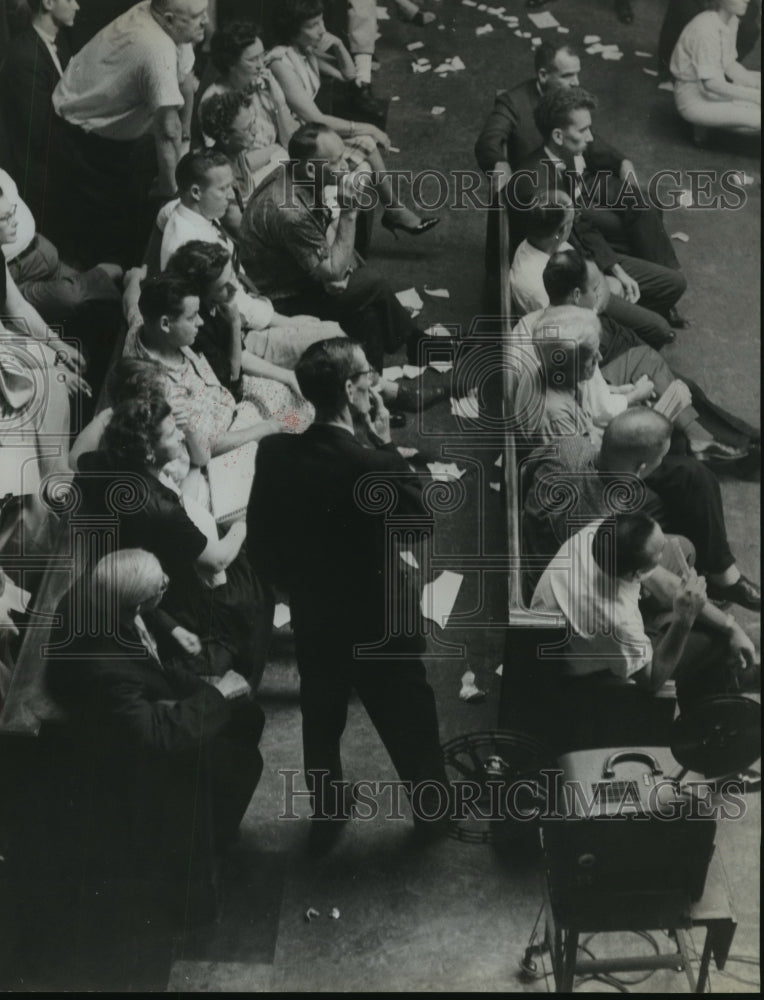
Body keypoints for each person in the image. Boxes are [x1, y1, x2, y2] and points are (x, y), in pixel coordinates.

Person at [248, 338, 451, 848]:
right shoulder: (373, 465)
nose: (374, 383)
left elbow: (263, 544)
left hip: (317, 616)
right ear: (349, 389)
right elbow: (419, 525)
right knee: (412, 723)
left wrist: (298, 590)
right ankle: (433, 815)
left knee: (321, 718)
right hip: (382, 618)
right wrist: (383, 444)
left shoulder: (274, 453)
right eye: (367, 375)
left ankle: (330, 810)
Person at [47, 548, 265, 851]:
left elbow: (149, 656)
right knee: (244, 763)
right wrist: (217, 694)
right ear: (136, 604)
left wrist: (175, 635)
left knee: (249, 714)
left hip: (147, 687)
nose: (167, 580)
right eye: (160, 586)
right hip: (127, 751)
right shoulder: (108, 670)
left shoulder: (101, 584)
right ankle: (213, 839)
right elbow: (154, 735)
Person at [76, 393, 273, 684]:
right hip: (173, 591)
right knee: (255, 589)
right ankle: (243, 677)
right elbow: (216, 561)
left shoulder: (111, 464)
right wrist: (244, 522)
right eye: (171, 434)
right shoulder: (160, 509)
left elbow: (81, 460)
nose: (181, 434)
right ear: (147, 452)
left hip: (151, 559)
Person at [239, 123, 441, 376]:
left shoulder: (296, 172)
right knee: (374, 284)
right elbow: (333, 270)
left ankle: (374, 389)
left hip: (298, 272)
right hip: (283, 297)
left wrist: (341, 272)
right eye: (336, 161)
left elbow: (324, 229)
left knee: (367, 312)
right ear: (312, 169)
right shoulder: (289, 211)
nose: (345, 166)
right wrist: (349, 214)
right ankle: (416, 344)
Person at [520, 248, 752, 466]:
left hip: (579, 396)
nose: (599, 294)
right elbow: (596, 406)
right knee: (669, 384)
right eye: (595, 290)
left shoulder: (546, 321)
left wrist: (622, 391)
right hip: (588, 425)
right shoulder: (571, 342)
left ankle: (707, 435)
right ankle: (710, 437)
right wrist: (632, 395)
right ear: (577, 294)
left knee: (652, 364)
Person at [522, 407, 761, 611]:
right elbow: (637, 580)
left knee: (688, 475)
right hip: (574, 582)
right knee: (683, 546)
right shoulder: (616, 529)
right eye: (661, 457)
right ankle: (714, 580)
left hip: (555, 529)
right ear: (643, 467)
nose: (663, 461)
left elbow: (525, 472)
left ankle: (724, 574)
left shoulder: (568, 444)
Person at [531, 514, 757, 708]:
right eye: (660, 550)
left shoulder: (603, 533)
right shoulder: (615, 619)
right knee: (713, 642)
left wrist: (731, 626)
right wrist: (684, 619)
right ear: (635, 574)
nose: (667, 546)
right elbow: (651, 679)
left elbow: (667, 584)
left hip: (577, 621)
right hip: (583, 675)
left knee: (684, 547)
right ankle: (711, 709)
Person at [47, 0, 209, 265]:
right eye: (197, 17)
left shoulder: (173, 22)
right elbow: (168, 131)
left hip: (120, 138)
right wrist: (172, 192)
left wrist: (187, 142)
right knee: (107, 235)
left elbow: (186, 83)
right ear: (169, 19)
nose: (206, 22)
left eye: (204, 13)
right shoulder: (154, 47)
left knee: (137, 214)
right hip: (82, 139)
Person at [266, 0, 438, 237]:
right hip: (293, 144)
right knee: (367, 138)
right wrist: (367, 127)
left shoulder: (303, 51)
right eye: (313, 25)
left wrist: (336, 43)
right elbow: (314, 116)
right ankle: (394, 211)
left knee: (367, 142)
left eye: (321, 22)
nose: (321, 30)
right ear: (293, 28)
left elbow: (348, 75)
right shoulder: (280, 63)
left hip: (308, 133)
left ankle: (394, 210)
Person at [164, 240, 319, 432]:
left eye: (231, 277)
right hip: (225, 407)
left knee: (304, 407)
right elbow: (232, 380)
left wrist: (288, 376)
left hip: (239, 385)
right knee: (296, 424)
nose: (233, 288)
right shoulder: (196, 329)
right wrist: (235, 324)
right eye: (222, 286)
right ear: (201, 293)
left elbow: (242, 356)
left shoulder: (217, 305)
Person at [123, 275, 282, 461]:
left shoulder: (144, 326)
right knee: (294, 426)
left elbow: (132, 303)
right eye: (191, 317)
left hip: (232, 399)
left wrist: (134, 278)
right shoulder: (158, 390)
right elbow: (203, 447)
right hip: (227, 444)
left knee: (302, 404)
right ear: (165, 324)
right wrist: (267, 428)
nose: (201, 322)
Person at [508, 193, 678, 352]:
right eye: (571, 223)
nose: (573, 226)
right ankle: (636, 348)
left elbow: (590, 273)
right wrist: (602, 290)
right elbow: (572, 331)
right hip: (585, 326)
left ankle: (637, 338)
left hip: (591, 297)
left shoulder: (544, 240)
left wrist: (602, 285)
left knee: (671, 290)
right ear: (560, 232)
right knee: (659, 329)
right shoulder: (538, 286)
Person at [474, 41, 634, 187]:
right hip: (542, 190)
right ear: (543, 75)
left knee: (647, 203)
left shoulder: (569, 95)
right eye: (567, 76)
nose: (576, 83)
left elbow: (586, 137)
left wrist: (621, 162)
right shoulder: (513, 102)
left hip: (578, 180)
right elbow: (488, 140)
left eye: (577, 74)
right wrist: (499, 163)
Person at [69, 356, 210, 506]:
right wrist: (195, 471)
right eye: (167, 396)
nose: (173, 401)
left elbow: (203, 457)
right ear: (142, 408)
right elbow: (178, 504)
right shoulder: (141, 444)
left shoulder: (170, 418)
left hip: (196, 484)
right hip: (187, 500)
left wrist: (189, 428)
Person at [0, 167, 122, 326]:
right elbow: (16, 306)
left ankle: (101, 279)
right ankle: (104, 274)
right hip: (16, 274)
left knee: (100, 303)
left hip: (41, 251)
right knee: (72, 296)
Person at [0, 0, 78, 226]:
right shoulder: (24, 55)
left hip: (53, 159)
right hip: (34, 174)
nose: (77, 6)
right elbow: (39, 131)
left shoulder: (59, 43)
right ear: (48, 3)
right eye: (71, 0)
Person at [197, 19, 298, 183]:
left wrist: (279, 101)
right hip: (247, 179)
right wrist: (278, 148)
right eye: (252, 60)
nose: (260, 65)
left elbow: (291, 141)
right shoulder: (215, 100)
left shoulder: (261, 85)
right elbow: (232, 165)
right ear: (230, 63)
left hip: (278, 162)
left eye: (262, 56)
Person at [670, 0, 761, 141]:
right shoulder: (705, 28)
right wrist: (754, 96)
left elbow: (729, 64)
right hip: (693, 98)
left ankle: (714, 118)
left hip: (711, 87)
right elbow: (711, 85)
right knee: (758, 119)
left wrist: (755, 85)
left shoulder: (731, 20)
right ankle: (701, 123)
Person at [201, 88, 294, 211]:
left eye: (253, 123)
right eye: (247, 129)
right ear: (225, 137)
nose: (255, 131)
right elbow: (241, 227)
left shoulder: (237, 154)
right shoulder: (223, 180)